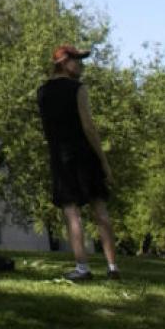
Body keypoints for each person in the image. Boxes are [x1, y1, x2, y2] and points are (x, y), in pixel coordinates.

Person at [37, 44, 120, 281]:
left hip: (60, 157)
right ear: (64, 62)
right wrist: (103, 161)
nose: (81, 65)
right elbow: (88, 126)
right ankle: (112, 266)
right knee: (100, 210)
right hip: (83, 153)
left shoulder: (42, 93)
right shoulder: (78, 89)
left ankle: (82, 268)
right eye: (77, 61)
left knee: (72, 213)